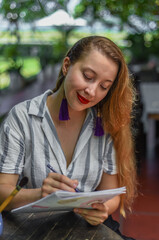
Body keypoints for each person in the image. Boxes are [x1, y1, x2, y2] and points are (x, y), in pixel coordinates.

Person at [0, 36, 137, 239]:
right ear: (66, 66)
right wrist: (40, 194)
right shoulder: (22, 117)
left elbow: (112, 193)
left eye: (104, 86)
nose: (91, 91)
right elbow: (3, 191)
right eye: (88, 76)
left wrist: (102, 209)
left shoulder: (107, 124)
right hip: (30, 229)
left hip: (85, 229)